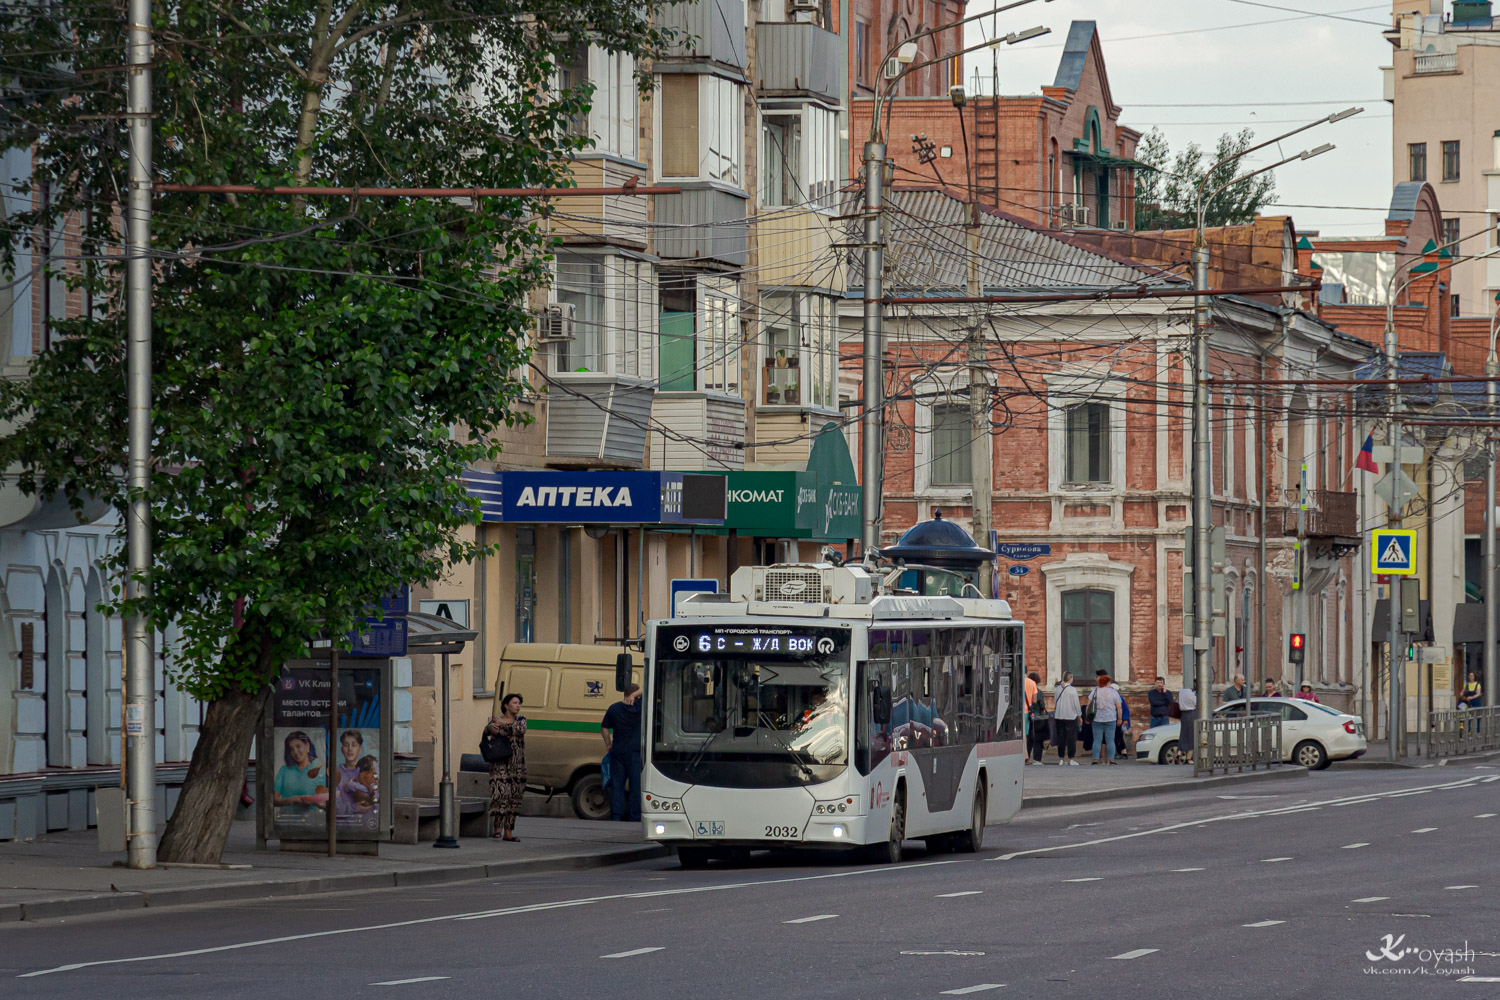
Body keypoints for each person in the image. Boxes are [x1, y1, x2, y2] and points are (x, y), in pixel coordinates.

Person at [486, 692, 527, 841]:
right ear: (506, 705)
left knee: (515, 798)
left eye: (519, 703)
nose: (518, 706)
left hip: (517, 766)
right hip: (499, 764)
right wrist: (491, 729)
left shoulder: (521, 720)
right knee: (501, 794)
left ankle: (508, 832)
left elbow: (521, 729)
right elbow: (487, 731)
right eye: (515, 703)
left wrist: (506, 724)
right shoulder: (496, 720)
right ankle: (497, 827)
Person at [602, 683, 644, 823]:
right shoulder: (639, 708)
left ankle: (616, 816)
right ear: (636, 694)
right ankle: (634, 817)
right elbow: (650, 687)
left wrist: (608, 744)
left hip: (618, 752)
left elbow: (605, 728)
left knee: (617, 786)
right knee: (635, 787)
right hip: (635, 753)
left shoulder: (614, 708)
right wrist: (636, 694)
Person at [273, 731, 327, 815]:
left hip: (312, 820)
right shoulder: (283, 770)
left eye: (298, 746)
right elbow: (273, 800)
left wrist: (314, 801)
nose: (295, 752)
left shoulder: (320, 772)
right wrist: (291, 800)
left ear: (308, 746)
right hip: (287, 819)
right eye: (291, 749)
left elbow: (328, 804)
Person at [1087, 675, 1123, 765]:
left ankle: (1095, 759)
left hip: (1097, 718)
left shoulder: (1095, 691)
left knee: (1097, 740)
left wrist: (1087, 717)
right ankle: (1111, 759)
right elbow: (1119, 707)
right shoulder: (1114, 692)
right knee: (1110, 740)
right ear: (1107, 683)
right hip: (1110, 718)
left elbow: (1088, 705)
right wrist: (1120, 718)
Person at [1052, 672, 1081, 765]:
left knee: (1061, 738)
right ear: (1070, 679)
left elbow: (1055, 701)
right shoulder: (1072, 690)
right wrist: (1079, 715)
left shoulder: (1058, 689)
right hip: (1071, 716)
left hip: (1059, 715)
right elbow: (1076, 704)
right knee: (1071, 738)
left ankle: (1061, 758)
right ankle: (1071, 758)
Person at [1026, 673, 1049, 764]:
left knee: (1029, 739)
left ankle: (1026, 757)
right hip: (1038, 718)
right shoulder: (1039, 692)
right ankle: (1037, 759)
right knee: (1038, 739)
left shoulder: (1024, 689)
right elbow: (1042, 706)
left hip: (1027, 715)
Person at [1176, 684, 1198, 765]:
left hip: (1183, 715)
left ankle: (1179, 752)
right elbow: (1196, 703)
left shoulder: (1181, 691)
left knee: (1183, 734)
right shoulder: (1192, 693)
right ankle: (1189, 759)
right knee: (1191, 736)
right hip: (1191, 714)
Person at [1023, 671, 1040, 764]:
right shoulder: (1032, 683)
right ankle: (1026, 757)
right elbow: (1034, 700)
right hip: (1026, 712)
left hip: (1016, 711)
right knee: (1026, 734)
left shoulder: (1016, 680)